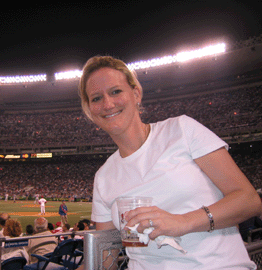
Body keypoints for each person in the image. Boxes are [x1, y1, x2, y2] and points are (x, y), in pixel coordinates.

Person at [77, 55, 262, 269]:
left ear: (136, 93)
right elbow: (105, 256)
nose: (107, 104)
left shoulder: (181, 130)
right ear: (90, 110)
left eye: (116, 91)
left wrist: (182, 221)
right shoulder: (103, 176)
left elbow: (249, 200)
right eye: (96, 98)